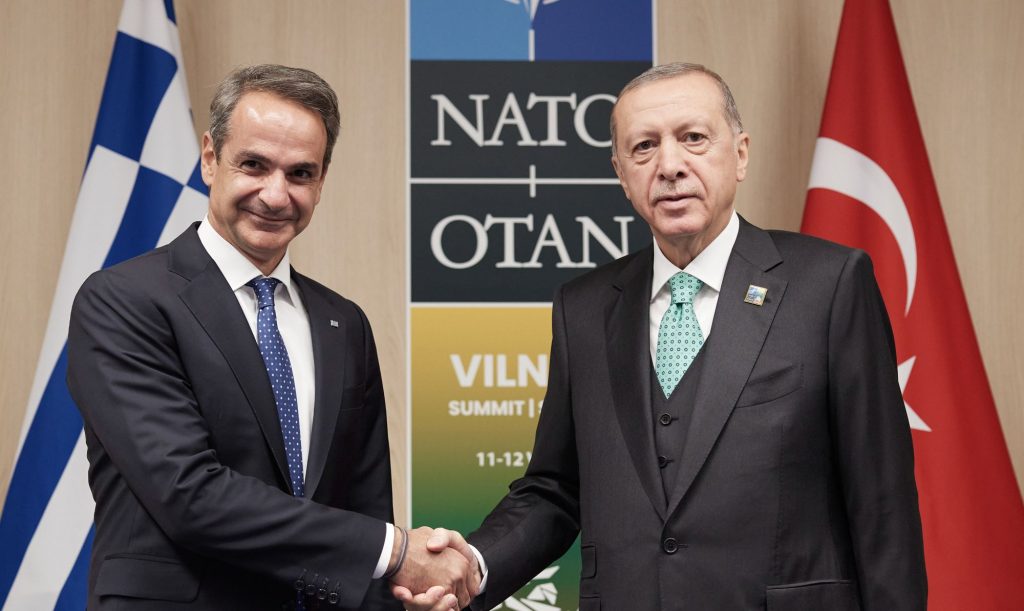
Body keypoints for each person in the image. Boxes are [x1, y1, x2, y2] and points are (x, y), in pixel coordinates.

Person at [397, 63, 927, 610]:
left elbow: (881, 500)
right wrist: (472, 566)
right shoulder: (583, 307)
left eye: (693, 138)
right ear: (621, 174)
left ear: (740, 153)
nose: (670, 166)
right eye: (644, 147)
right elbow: (556, 488)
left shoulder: (829, 285)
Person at [67, 64, 476, 610]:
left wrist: (401, 595)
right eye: (254, 165)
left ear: (321, 182)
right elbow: (189, 494)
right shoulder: (123, 300)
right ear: (210, 158)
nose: (276, 195)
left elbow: (362, 511)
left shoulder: (344, 323)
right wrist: (396, 550)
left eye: (300, 173)